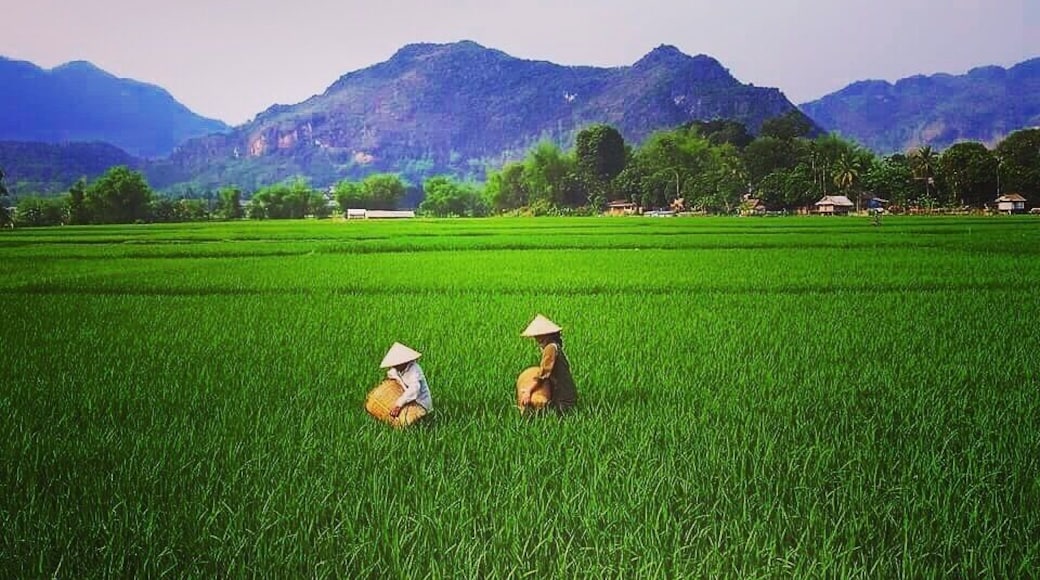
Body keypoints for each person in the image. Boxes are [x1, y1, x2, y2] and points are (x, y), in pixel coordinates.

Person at [517, 314, 577, 413]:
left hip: (563, 396)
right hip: (565, 391)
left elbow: (544, 374)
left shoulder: (550, 348)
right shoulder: (555, 346)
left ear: (545, 335)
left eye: (538, 335)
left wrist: (529, 391)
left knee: (555, 417)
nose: (536, 338)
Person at [365, 342, 432, 427]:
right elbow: (392, 374)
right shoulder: (398, 369)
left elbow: (414, 389)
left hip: (420, 402)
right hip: (407, 398)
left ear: (404, 362)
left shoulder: (414, 371)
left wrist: (398, 404)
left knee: (413, 421)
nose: (394, 366)